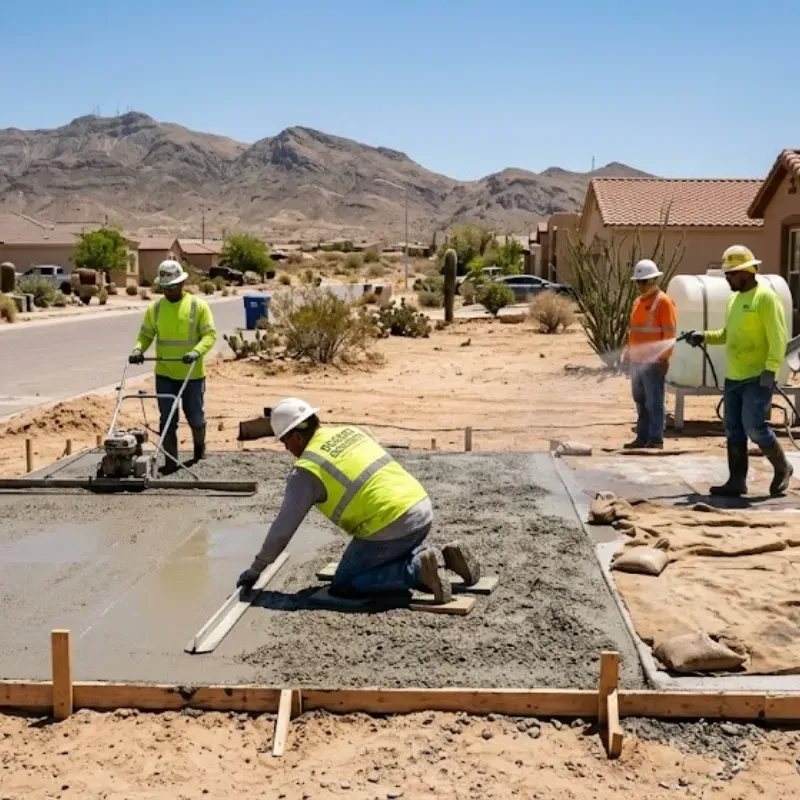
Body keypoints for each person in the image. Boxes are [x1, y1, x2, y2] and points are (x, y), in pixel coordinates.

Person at [236, 397, 481, 604]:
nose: (286, 448)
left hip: (389, 524)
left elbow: (282, 530)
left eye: (284, 441)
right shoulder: (350, 431)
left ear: (297, 438)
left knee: (347, 583)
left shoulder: (306, 471)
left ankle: (417, 571)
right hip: (420, 508)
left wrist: (256, 570)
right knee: (385, 552)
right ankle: (442, 557)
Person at [685, 245, 792, 497]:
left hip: (757, 376)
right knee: (733, 428)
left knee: (754, 426)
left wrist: (771, 369)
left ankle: (783, 467)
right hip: (733, 376)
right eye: (727, 274)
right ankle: (736, 481)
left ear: (747, 272)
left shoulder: (765, 298)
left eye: (732, 274)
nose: (728, 278)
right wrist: (704, 336)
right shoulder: (734, 300)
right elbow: (726, 334)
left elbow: (778, 337)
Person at [128, 260, 216, 474]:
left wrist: (196, 352)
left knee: (195, 416)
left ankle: (198, 449)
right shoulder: (156, 308)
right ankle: (170, 461)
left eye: (172, 286)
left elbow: (210, 335)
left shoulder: (198, 306)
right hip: (165, 374)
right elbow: (146, 334)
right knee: (167, 419)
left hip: (192, 374)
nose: (168, 291)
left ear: (182, 283)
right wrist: (139, 349)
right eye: (165, 288)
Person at [623, 259, 677, 449]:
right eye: (638, 281)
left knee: (654, 401)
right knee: (640, 399)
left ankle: (655, 438)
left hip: (654, 362)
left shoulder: (663, 302)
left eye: (643, 281)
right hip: (637, 360)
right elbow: (634, 330)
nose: (640, 285)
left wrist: (665, 358)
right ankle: (642, 436)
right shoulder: (638, 302)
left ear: (654, 280)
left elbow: (670, 334)